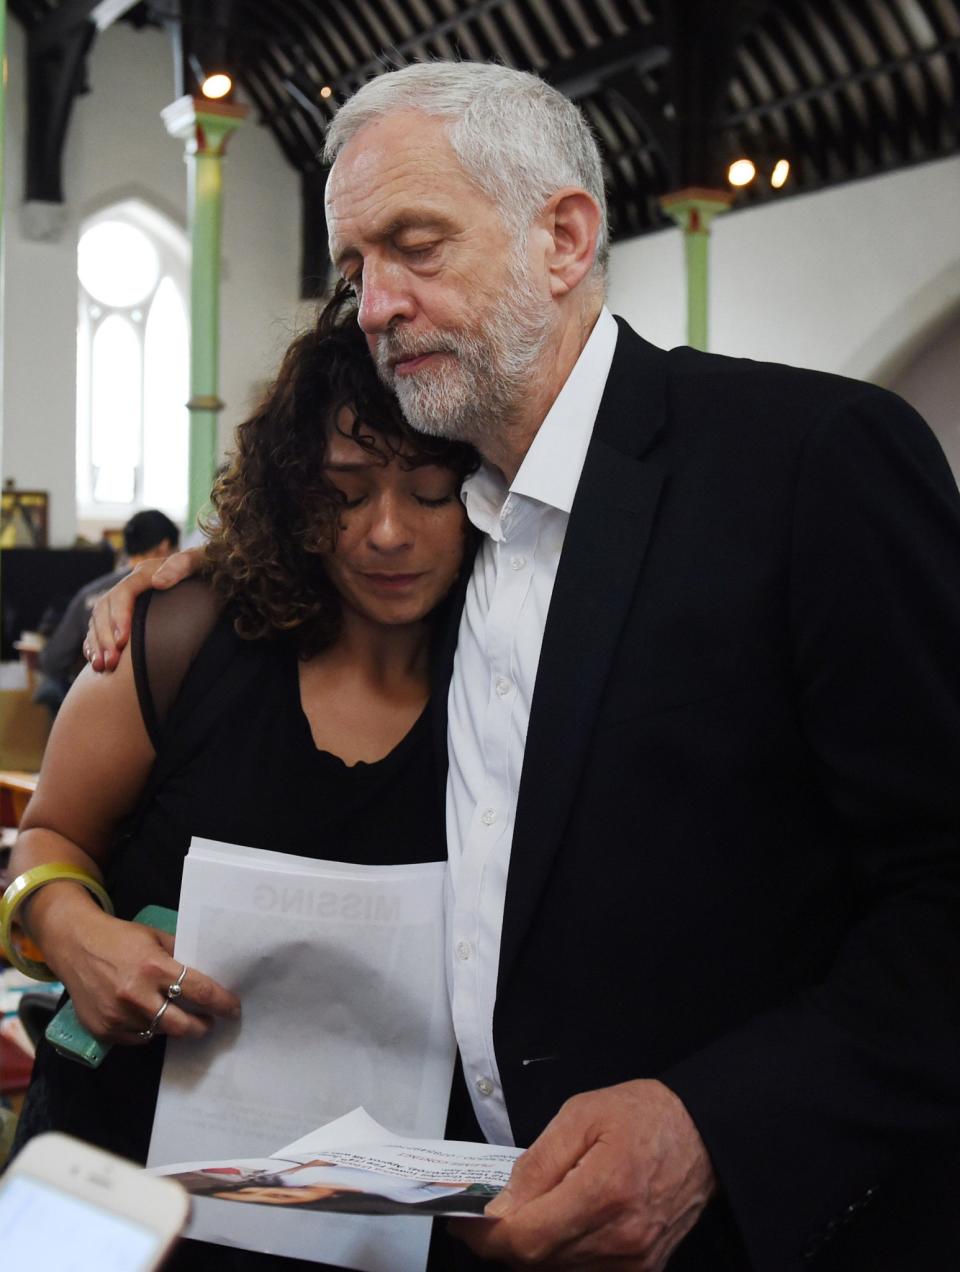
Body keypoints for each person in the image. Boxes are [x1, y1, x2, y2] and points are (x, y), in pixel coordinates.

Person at [86, 61, 960, 1272]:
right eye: (352, 270)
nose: (376, 305)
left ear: (564, 236)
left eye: (416, 245)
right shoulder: (440, 540)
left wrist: (717, 1125)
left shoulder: (806, 462)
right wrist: (187, 574)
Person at [5, 288, 476, 1271]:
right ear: (296, 495)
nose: (389, 531)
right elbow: (46, 838)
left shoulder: (508, 677)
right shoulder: (183, 637)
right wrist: (74, 933)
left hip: (368, 1218)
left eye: (430, 491)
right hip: (117, 1178)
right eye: (346, 493)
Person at [37, 509, 179, 709]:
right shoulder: (177, 595)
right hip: (159, 712)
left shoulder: (89, 594)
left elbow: (53, 660)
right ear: (165, 547)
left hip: (91, 708)